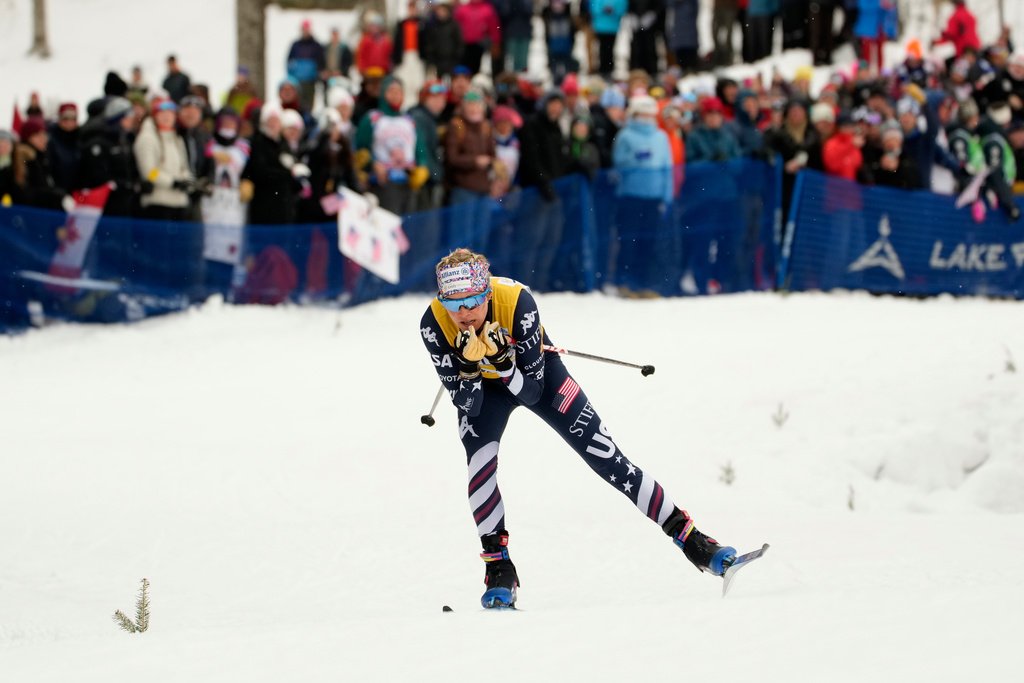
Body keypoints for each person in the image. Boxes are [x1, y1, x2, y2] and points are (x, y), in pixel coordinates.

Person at [419, 248, 741, 609]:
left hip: (536, 378)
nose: (463, 314)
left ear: (487, 295)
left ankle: (695, 542)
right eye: (453, 304)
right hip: (484, 392)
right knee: (480, 466)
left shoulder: (517, 302)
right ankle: (499, 570)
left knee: (606, 458)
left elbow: (533, 391)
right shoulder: (434, 323)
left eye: (473, 302)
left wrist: (501, 363)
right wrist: (467, 365)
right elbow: (469, 405)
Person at [444, 89, 496, 251]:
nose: (474, 109)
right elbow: (451, 158)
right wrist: (475, 161)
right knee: (462, 240)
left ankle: (477, 275)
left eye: (477, 105)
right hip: (463, 190)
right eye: (470, 105)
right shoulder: (456, 126)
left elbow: (493, 156)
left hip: (483, 190)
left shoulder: (486, 128)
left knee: (480, 239)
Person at [287, 19, 327, 112]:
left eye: (307, 29)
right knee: (297, 102)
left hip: (311, 80)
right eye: (304, 29)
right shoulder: (296, 45)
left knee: (309, 103)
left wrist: (319, 75)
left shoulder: (316, 45)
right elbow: (289, 61)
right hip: (298, 80)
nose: (305, 31)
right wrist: (291, 76)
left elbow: (321, 62)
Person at [453, 0, 501, 75]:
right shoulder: (462, 9)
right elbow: (455, 25)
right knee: (463, 68)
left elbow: (494, 27)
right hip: (464, 44)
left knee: (478, 67)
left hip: (480, 44)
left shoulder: (487, 9)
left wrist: (496, 42)